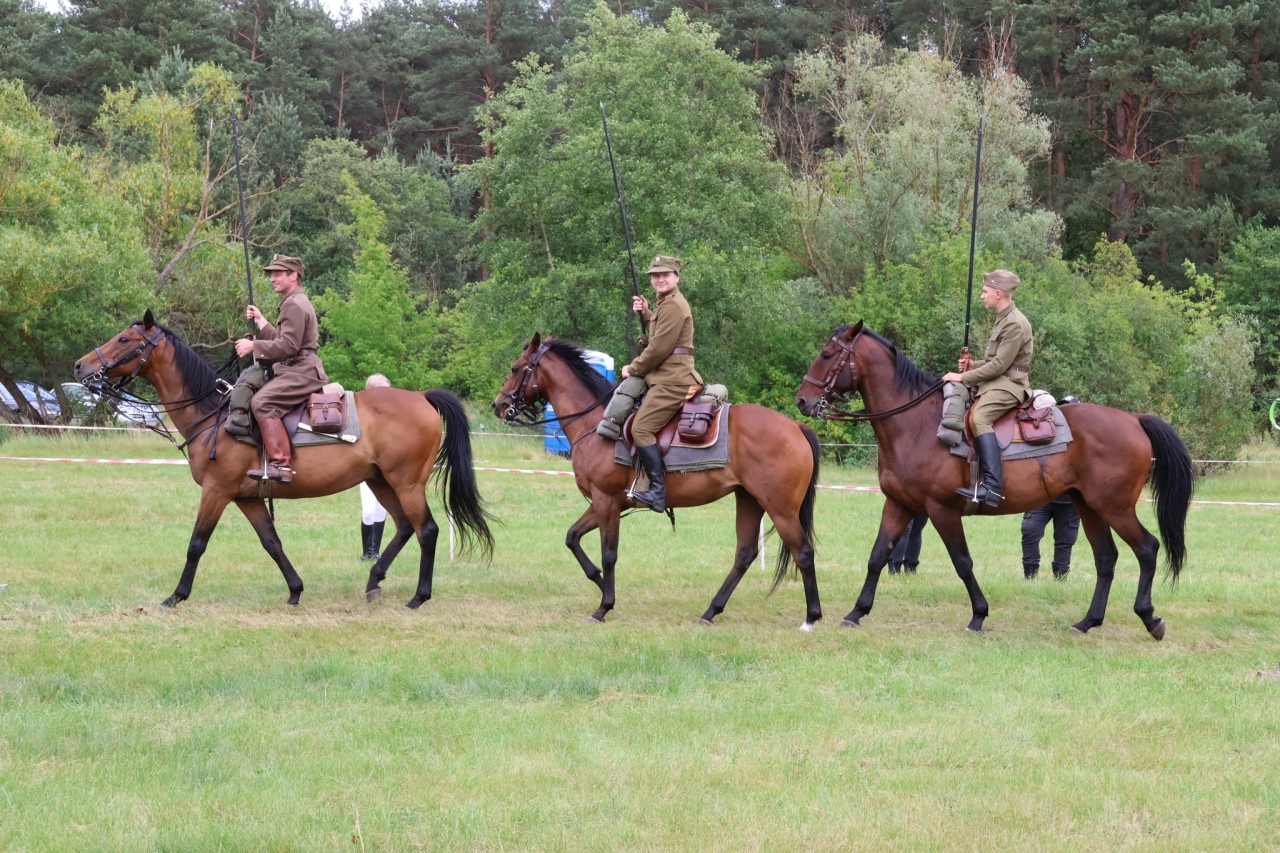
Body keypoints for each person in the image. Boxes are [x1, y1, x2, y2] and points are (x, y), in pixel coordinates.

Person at [225, 254, 328, 484]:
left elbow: (288, 346)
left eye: (278, 273)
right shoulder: (295, 301)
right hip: (297, 367)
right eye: (271, 274)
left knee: (262, 403)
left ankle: (281, 466)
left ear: (294, 276)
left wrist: (254, 346)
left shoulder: (293, 304)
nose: (272, 278)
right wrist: (261, 321)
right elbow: (286, 340)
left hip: (301, 371)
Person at [941, 269, 1033, 507]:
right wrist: (973, 364)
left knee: (979, 418)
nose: (982, 296)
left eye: (985, 292)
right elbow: (997, 361)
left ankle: (992, 487)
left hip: (1011, 385)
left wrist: (963, 377)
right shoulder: (1003, 318)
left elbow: (1000, 366)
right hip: (999, 379)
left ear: (999, 293)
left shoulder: (1014, 323)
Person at [621, 254, 702, 512]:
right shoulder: (666, 303)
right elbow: (662, 331)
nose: (659, 279)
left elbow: (658, 350)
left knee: (641, 429)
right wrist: (646, 313)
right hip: (666, 376)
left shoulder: (673, 305)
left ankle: (657, 492)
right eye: (655, 275)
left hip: (673, 380)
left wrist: (632, 369)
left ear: (676, 277)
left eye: (665, 274)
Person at [1021, 392, 1080, 579]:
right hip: (1042, 496)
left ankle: (1060, 578)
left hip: (1070, 501)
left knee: (1065, 541)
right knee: (1029, 531)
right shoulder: (1046, 433)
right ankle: (1030, 576)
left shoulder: (1086, 444)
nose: (1064, 411)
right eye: (1061, 408)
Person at [359, 374, 391, 561]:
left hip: (387, 468)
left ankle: (375, 552)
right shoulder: (363, 415)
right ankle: (366, 552)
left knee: (381, 509)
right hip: (367, 467)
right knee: (368, 510)